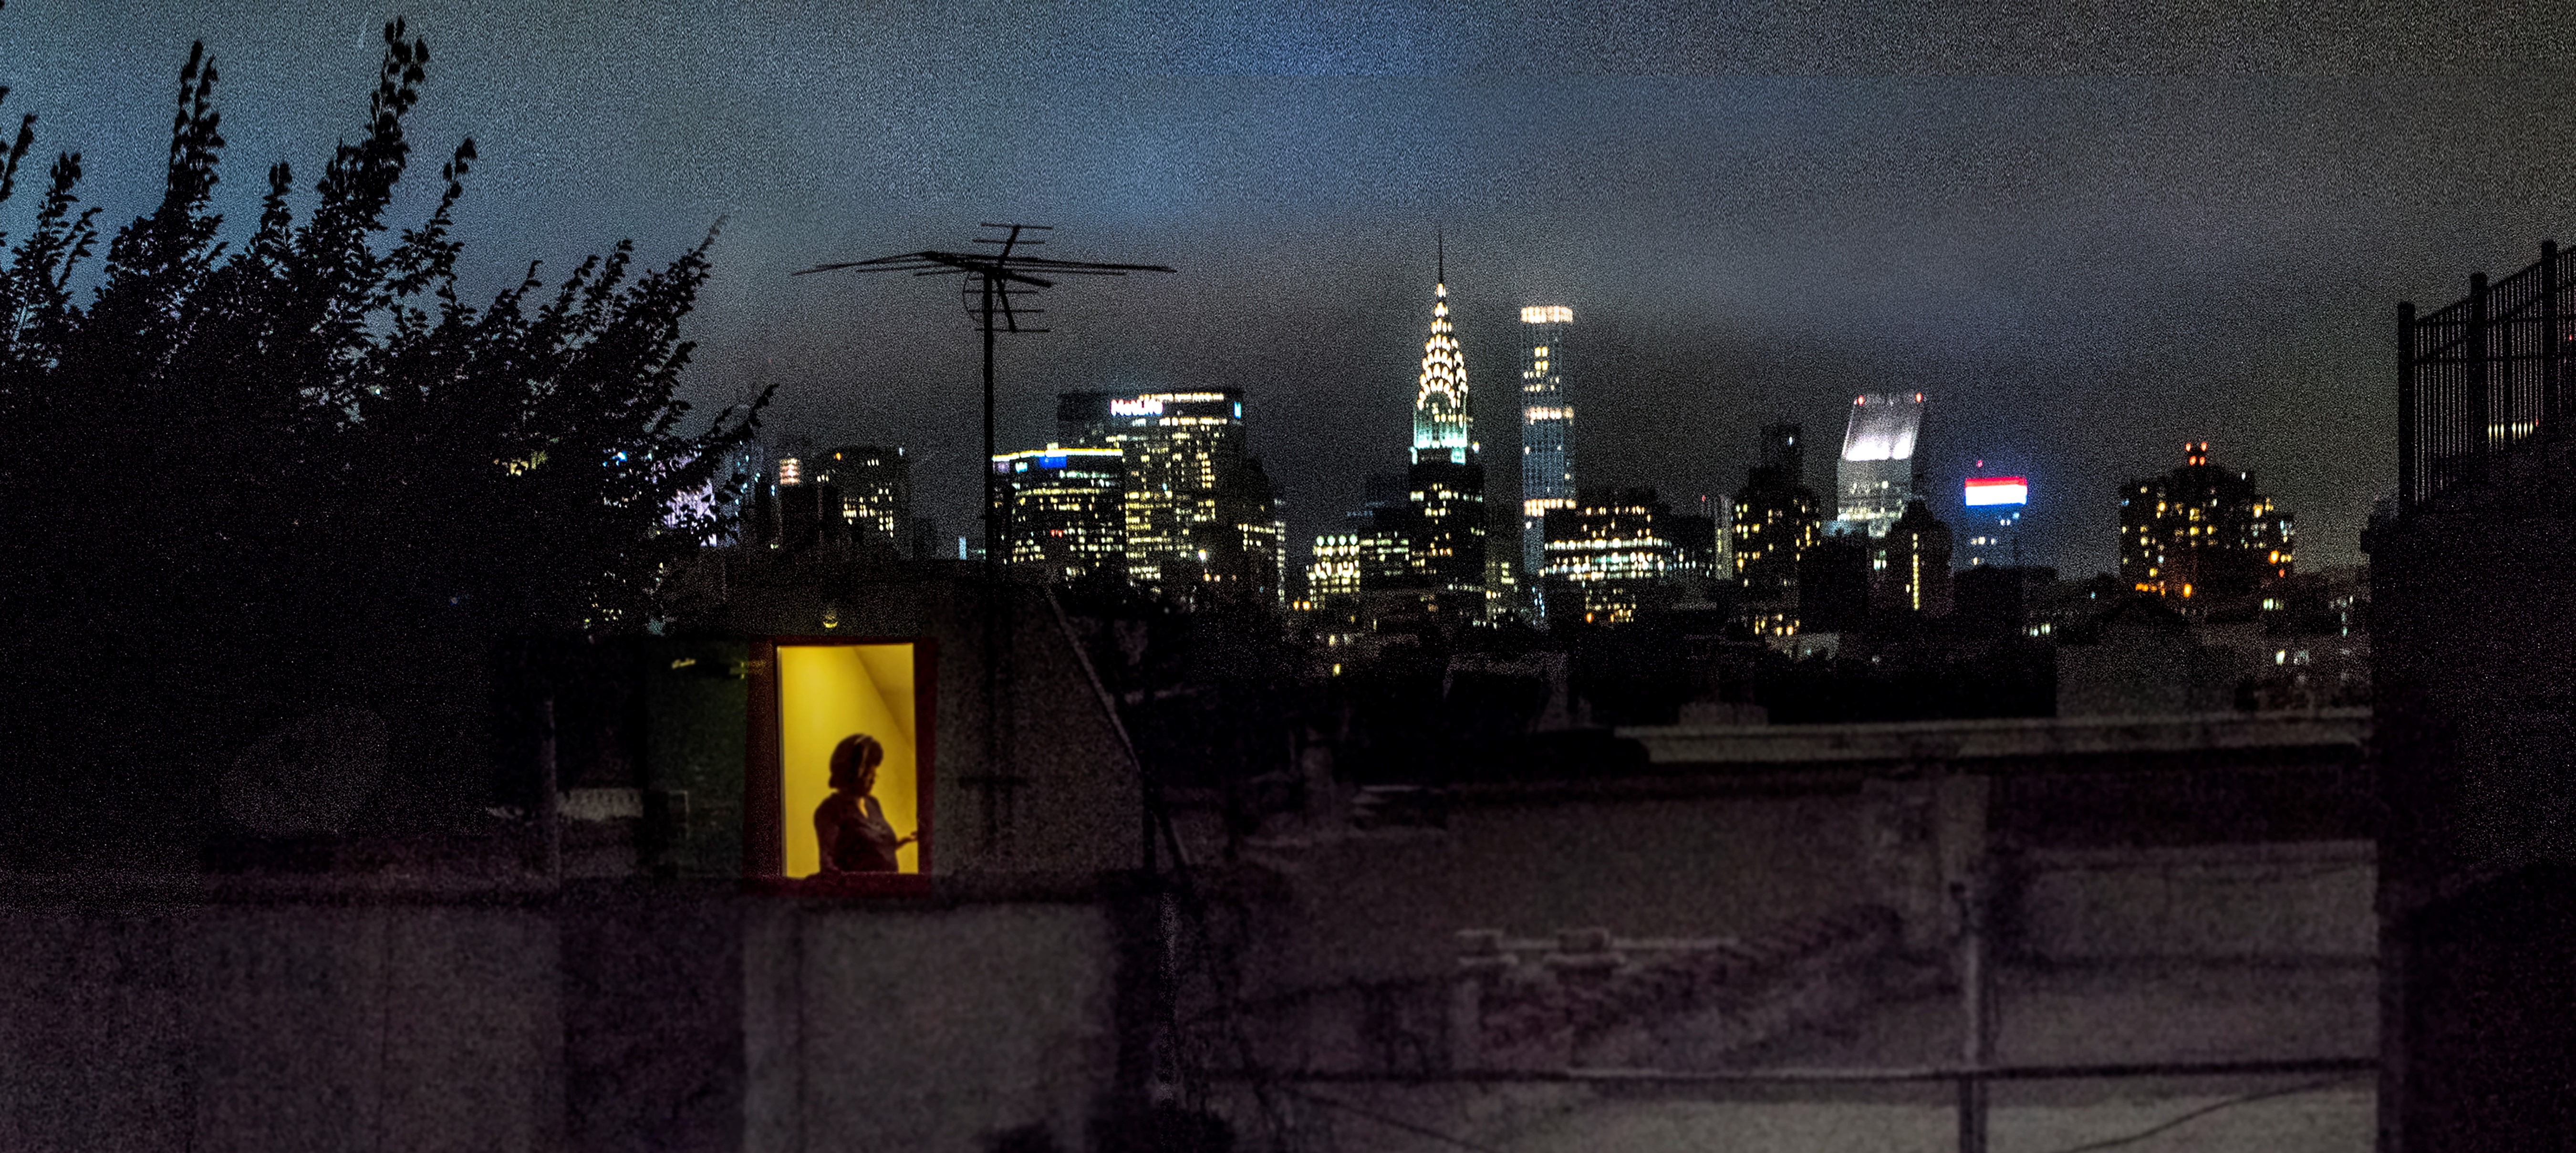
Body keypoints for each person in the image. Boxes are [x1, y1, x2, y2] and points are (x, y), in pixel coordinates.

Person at [814, 733, 916, 873]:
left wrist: (903, 841)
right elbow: (828, 865)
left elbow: (870, 849)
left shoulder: (873, 804)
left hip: (888, 890)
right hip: (862, 894)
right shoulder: (831, 810)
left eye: (875, 776)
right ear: (852, 775)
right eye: (869, 776)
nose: (873, 781)